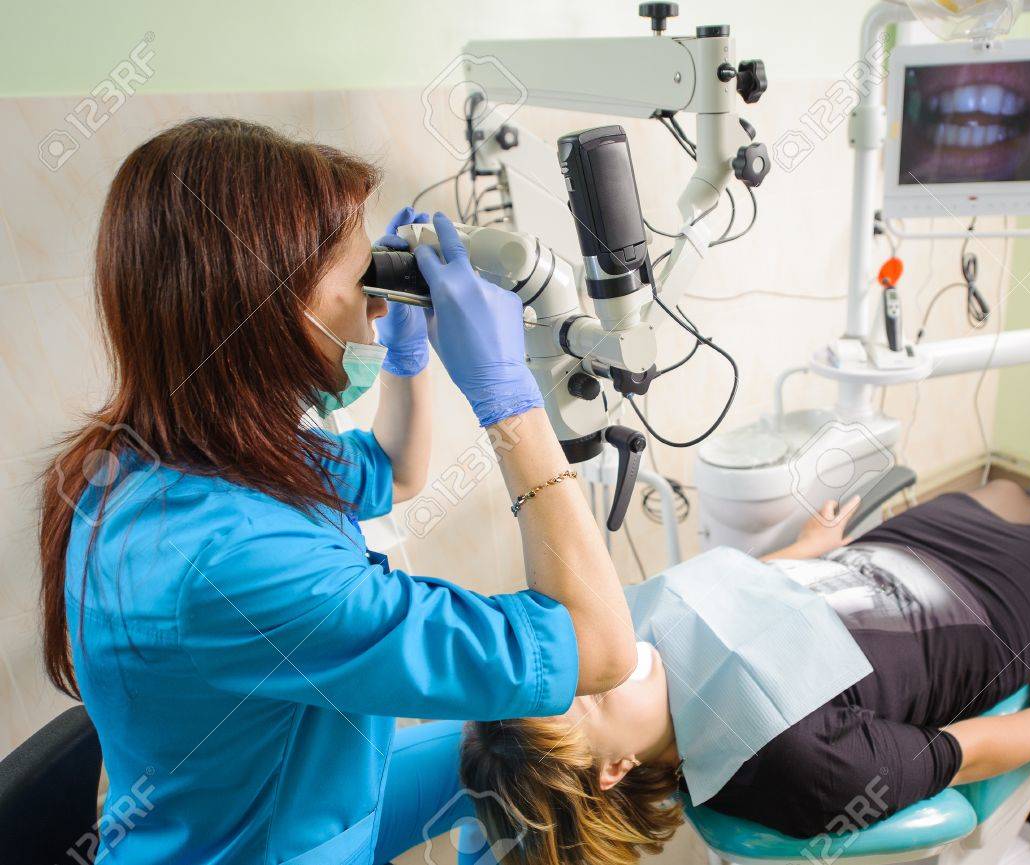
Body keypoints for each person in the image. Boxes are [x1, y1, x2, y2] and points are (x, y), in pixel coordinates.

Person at [37, 118, 636, 865]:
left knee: (518, 750)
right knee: (545, 735)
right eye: (364, 283)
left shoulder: (180, 451)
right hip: (271, 846)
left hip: (287, 801)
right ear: (274, 310)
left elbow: (394, 470)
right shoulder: (232, 561)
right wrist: (510, 403)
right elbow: (601, 648)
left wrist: (408, 353)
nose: (377, 303)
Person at [459, 414, 1030, 865]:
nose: (599, 659)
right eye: (591, 695)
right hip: (980, 616)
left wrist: (805, 550)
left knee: (1008, 490)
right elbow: (958, 750)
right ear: (613, 769)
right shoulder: (793, 769)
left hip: (879, 560)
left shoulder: (631, 643)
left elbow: (728, 592)